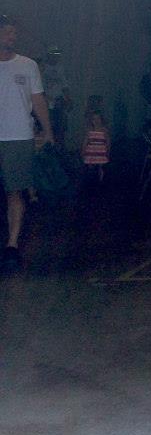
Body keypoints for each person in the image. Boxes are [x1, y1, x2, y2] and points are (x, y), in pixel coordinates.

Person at [1, 15, 53, 272]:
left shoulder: (28, 65)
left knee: (15, 191)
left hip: (18, 137)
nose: (12, 37)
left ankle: (12, 246)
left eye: (14, 33)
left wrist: (47, 130)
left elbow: (38, 100)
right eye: (8, 33)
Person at [81, 109, 110, 182]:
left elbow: (108, 142)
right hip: (91, 152)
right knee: (90, 167)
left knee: (101, 167)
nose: (96, 121)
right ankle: (90, 180)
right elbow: (85, 142)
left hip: (101, 152)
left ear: (101, 120)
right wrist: (83, 151)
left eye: (98, 119)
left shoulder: (104, 130)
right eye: (94, 119)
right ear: (91, 121)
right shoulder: (89, 131)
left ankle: (101, 181)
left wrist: (108, 152)